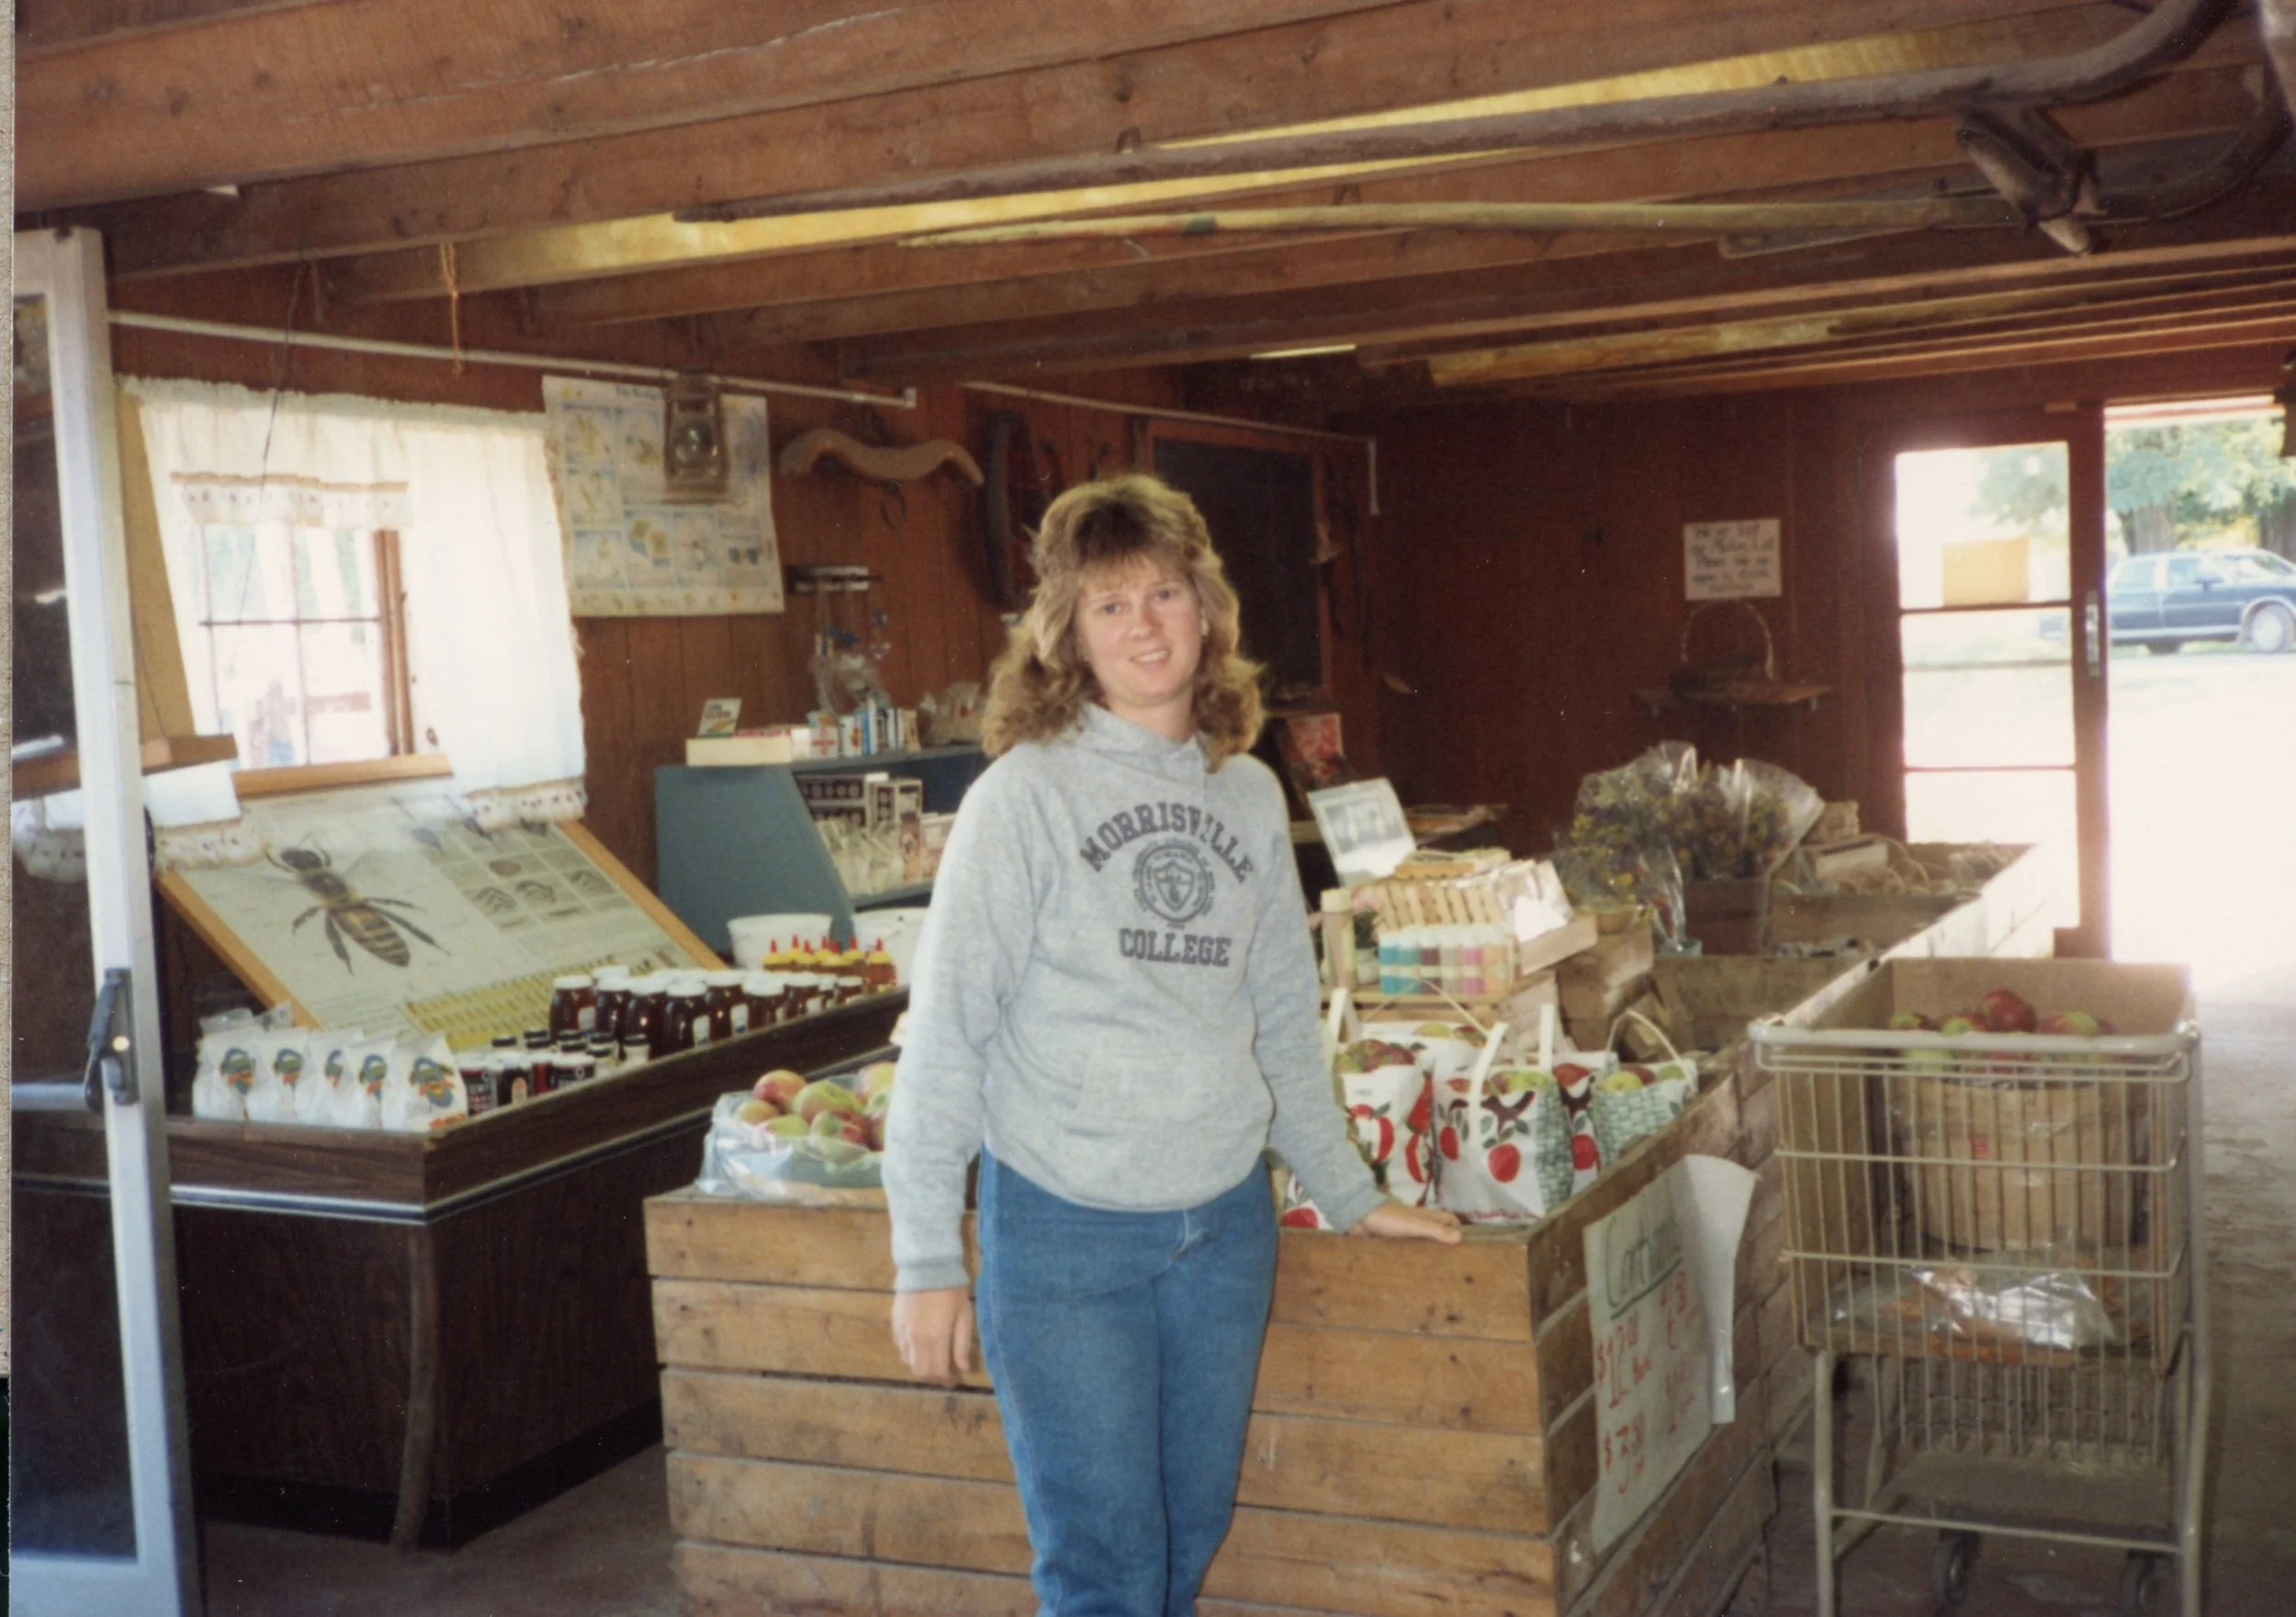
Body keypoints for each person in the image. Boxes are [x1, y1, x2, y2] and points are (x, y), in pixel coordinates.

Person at [884, 473, 1459, 1617]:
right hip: (1063, 1229)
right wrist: (926, 1260)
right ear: (1068, 638)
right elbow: (946, 1035)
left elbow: (1283, 1024)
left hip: (1223, 1227)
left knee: (1185, 1542)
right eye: (1109, 606)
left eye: (1163, 594)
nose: (1143, 626)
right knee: (1103, 1571)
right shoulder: (1021, 798)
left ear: (1208, 610)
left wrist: (1348, 1192)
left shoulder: (1247, 792)